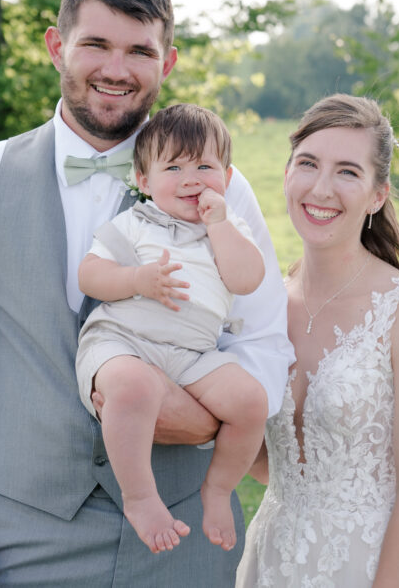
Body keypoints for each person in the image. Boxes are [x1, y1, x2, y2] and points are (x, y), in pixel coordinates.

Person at [0, 0, 294, 587]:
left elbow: (262, 338)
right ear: (57, 47)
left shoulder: (222, 188)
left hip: (186, 532)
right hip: (21, 535)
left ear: (168, 62)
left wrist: (205, 419)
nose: (117, 68)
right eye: (96, 45)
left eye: (140, 50)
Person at [235, 94, 399, 588]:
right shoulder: (261, 307)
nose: (321, 188)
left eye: (347, 172)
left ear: (377, 195)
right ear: (286, 175)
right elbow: (266, 464)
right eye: (308, 164)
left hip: (374, 569)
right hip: (272, 562)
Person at [76, 103, 268, 555]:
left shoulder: (228, 228)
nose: (191, 178)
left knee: (250, 402)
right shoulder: (136, 223)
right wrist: (136, 280)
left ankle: (217, 490)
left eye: (205, 165)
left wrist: (218, 224)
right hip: (124, 339)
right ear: (143, 181)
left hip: (193, 353)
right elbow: (90, 273)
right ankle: (140, 498)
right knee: (136, 386)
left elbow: (246, 280)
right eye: (174, 167)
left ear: (228, 175)